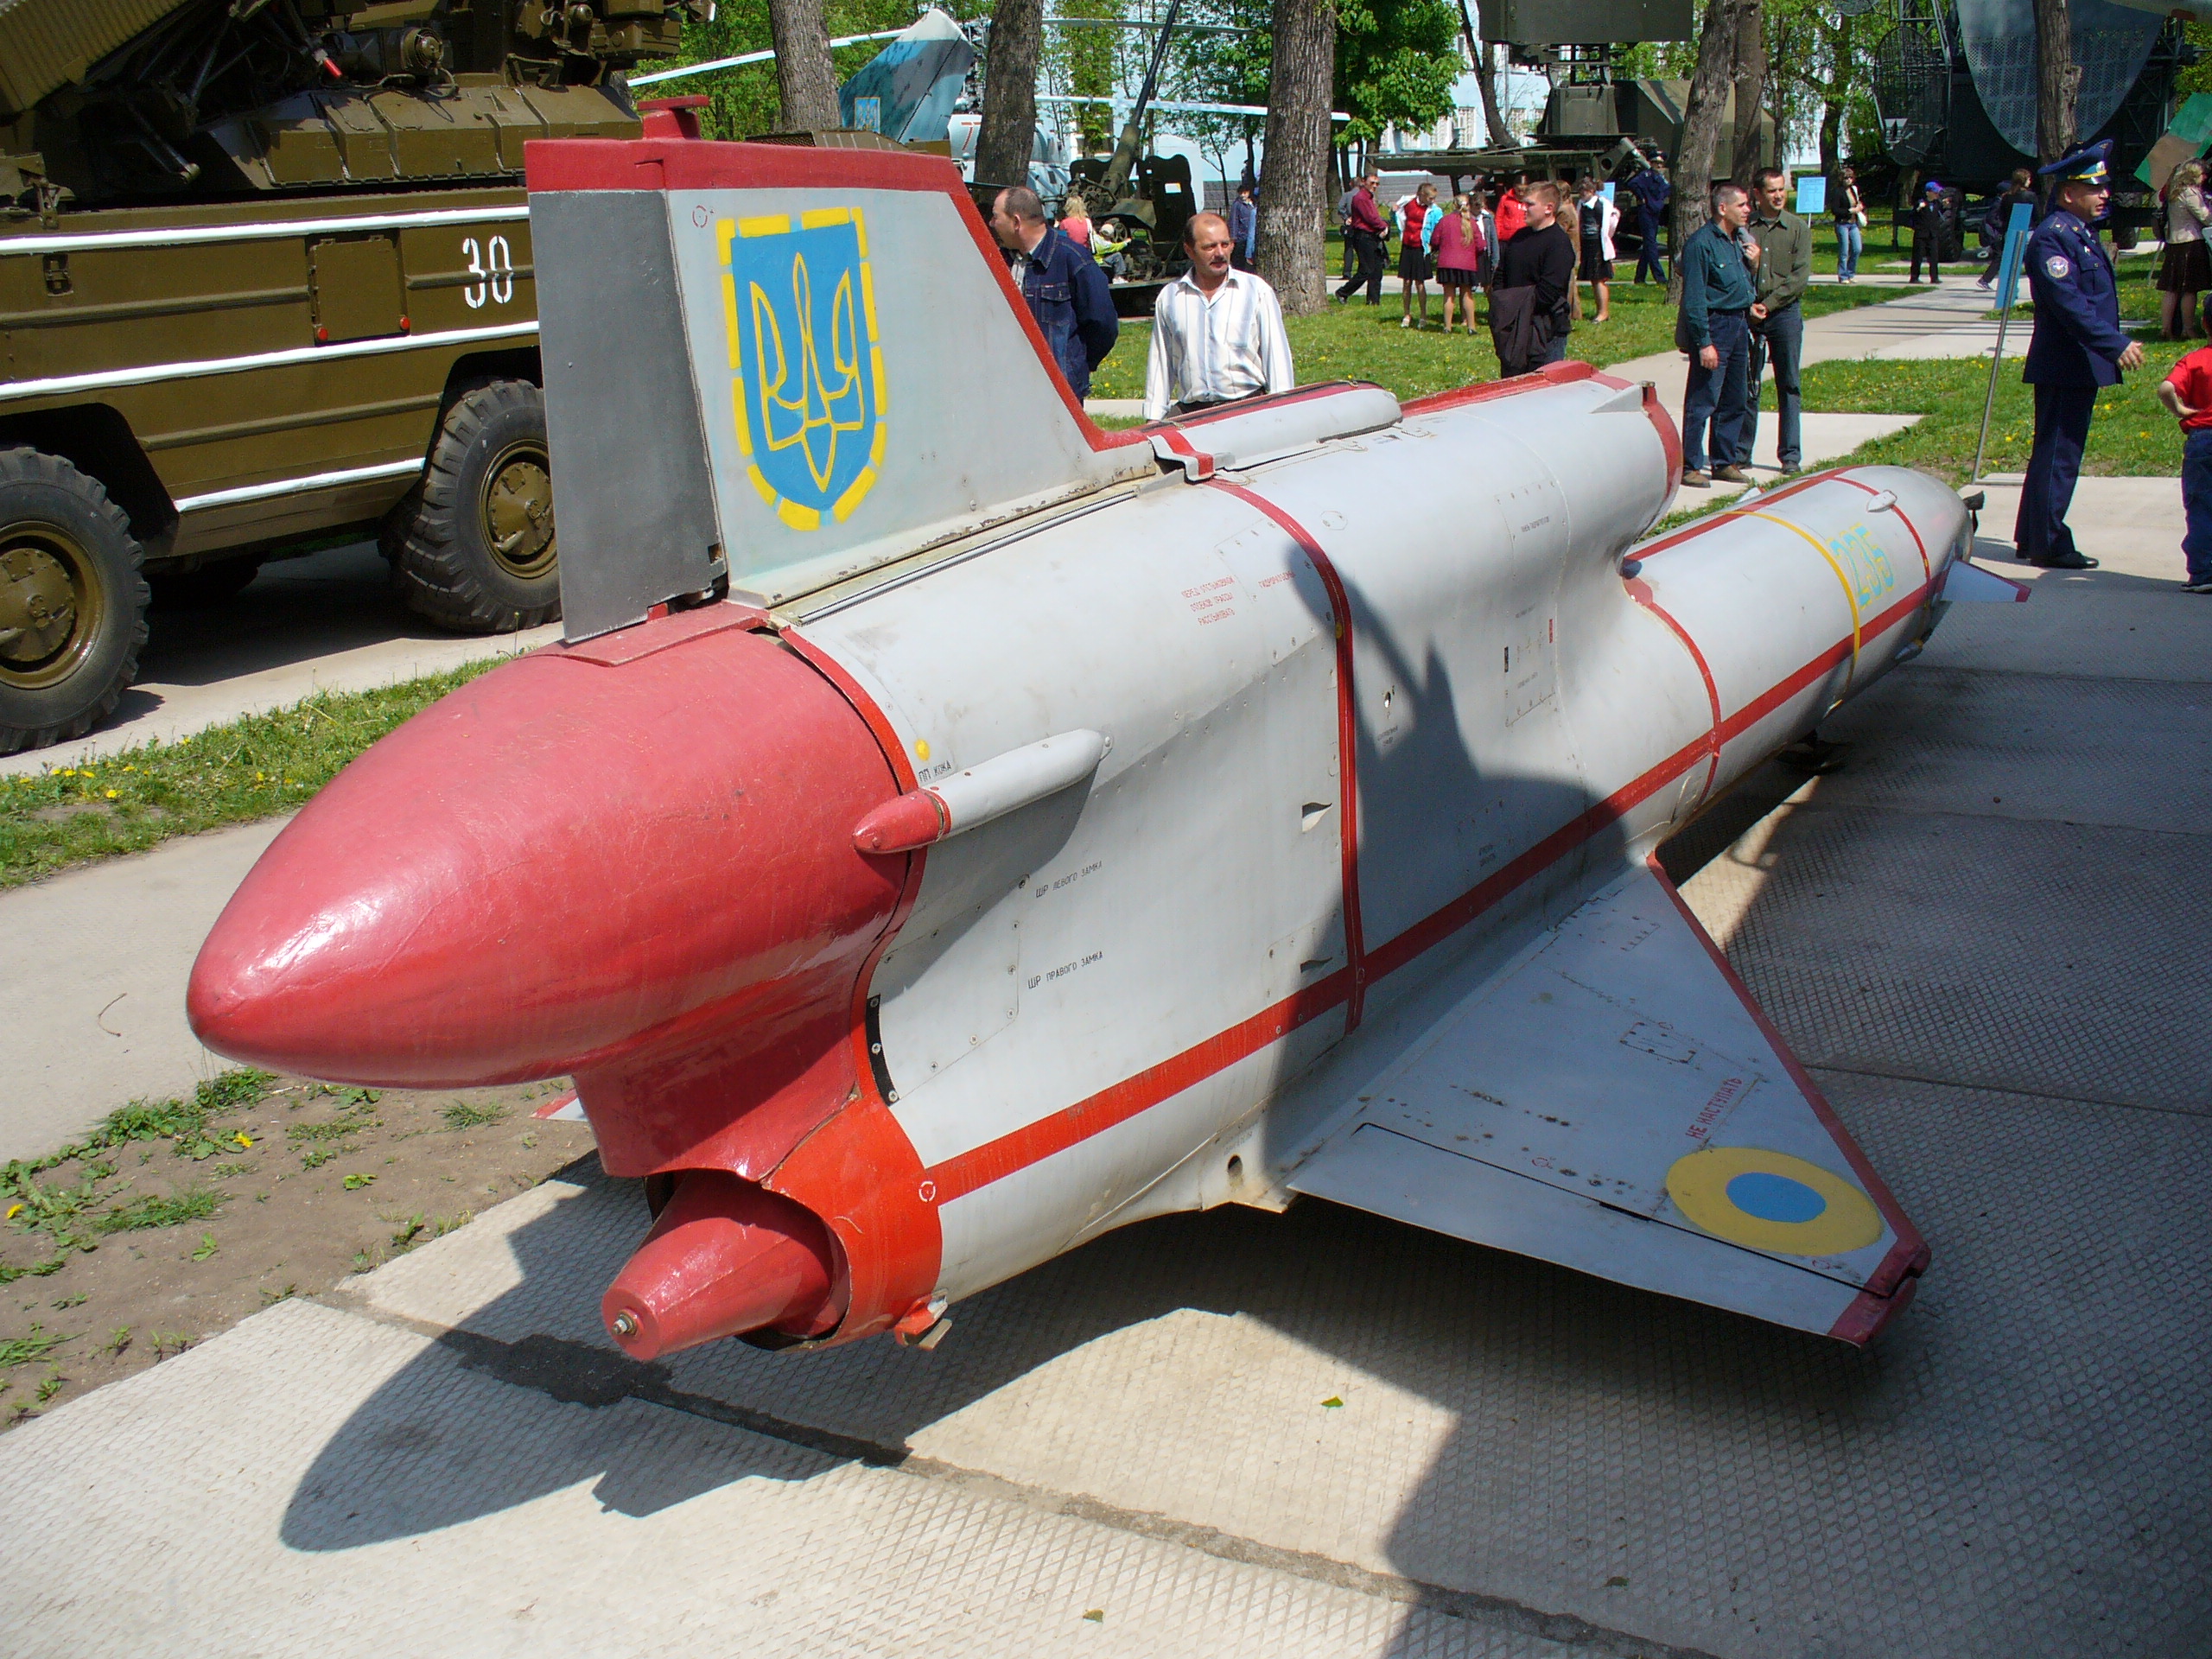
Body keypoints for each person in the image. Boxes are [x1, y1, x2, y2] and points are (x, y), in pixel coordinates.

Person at [2016, 141, 2143, 569]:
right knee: (2059, 455)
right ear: (2068, 193)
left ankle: (2032, 534)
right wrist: (2116, 344)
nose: (2104, 194)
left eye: (2104, 187)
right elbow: (2070, 305)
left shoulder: (2078, 233)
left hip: (2075, 363)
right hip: (2066, 363)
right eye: (2094, 188)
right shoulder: (2054, 238)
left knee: (2053, 452)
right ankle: (2049, 543)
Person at [1142, 211, 1295, 420]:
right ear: (1189, 250)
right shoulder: (1170, 297)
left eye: (1225, 244)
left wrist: (1283, 414)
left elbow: (1277, 359)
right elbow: (1160, 363)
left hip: (1247, 409)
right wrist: (1153, 418)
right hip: (1192, 413)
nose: (1220, 253)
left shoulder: (1256, 291)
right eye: (1210, 247)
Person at [989, 185, 1118, 402]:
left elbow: (1103, 325)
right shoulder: (999, 261)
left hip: (1058, 396)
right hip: (1007, 389)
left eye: (995, 217)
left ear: (1016, 222)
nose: (991, 223)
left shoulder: (1074, 259)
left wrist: (1074, 366)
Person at [1677, 180, 1758, 487]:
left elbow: (1735, 284)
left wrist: (1750, 299)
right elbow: (1695, 298)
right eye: (1742, 205)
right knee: (1703, 399)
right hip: (1715, 326)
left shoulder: (1737, 240)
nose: (1747, 210)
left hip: (1739, 323)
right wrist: (1704, 343)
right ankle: (1690, 465)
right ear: (1722, 208)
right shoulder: (1701, 244)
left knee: (1735, 397)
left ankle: (1724, 461)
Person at [1745, 165, 1811, 474]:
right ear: (1758, 195)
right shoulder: (1745, 228)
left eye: (1781, 189)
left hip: (1784, 313)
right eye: (1771, 191)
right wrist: (1752, 304)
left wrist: (1769, 304)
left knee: (1789, 384)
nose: (1778, 195)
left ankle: (1790, 456)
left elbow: (1799, 278)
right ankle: (1740, 452)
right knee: (1748, 385)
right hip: (1750, 313)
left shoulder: (1797, 228)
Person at [1492, 179, 1573, 374]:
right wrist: (1504, 307)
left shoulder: (1558, 243)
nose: (1524, 208)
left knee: (1543, 388)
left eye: (1530, 204)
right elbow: (1500, 276)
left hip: (1546, 332)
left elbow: (1549, 292)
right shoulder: (1518, 238)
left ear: (1548, 208)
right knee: (1512, 387)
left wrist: (1517, 305)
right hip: (1512, 327)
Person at [2155, 340, 2212, 592]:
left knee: (2201, 507)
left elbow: (2166, 388)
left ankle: (2204, 573)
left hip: (2203, 439)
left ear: (2205, 324)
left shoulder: (2194, 360)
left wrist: (2178, 409)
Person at [2157, 159, 2211, 340]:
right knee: (2189, 289)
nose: (2205, 178)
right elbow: (2206, 218)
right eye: (2202, 174)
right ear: (2194, 175)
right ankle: (2188, 329)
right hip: (2191, 243)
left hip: (2174, 243)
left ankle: (2166, 328)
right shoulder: (2190, 193)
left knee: (2171, 289)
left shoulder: (2175, 191)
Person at [1433, 193, 1485, 335]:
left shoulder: (1444, 221)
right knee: (1467, 294)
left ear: (1454, 205)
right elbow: (1481, 245)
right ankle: (1472, 327)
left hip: (1447, 263)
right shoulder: (1472, 223)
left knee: (1449, 295)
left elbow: (1435, 240)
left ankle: (1447, 327)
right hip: (1467, 264)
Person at [1335, 173, 1389, 305]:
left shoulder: (1369, 197)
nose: (1375, 186)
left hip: (1372, 236)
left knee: (1377, 271)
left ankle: (1373, 301)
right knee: (1366, 270)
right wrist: (1384, 226)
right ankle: (1343, 292)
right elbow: (1370, 218)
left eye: (1377, 183)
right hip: (1363, 237)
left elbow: (1374, 217)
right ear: (1364, 182)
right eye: (1372, 183)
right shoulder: (1361, 198)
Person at [1978, 168, 2034, 290]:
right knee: (2029, 258)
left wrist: (2004, 227)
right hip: (2027, 229)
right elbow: (2036, 215)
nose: (2030, 181)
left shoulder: (2006, 198)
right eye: (2028, 179)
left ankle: (2008, 287)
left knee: (2009, 259)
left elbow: (2003, 216)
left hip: (2010, 230)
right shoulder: (2029, 196)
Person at [1575, 175, 1618, 323]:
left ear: (1592, 191)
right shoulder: (1582, 204)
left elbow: (1611, 222)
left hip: (1598, 246)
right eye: (1580, 191)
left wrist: (1606, 238)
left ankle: (1603, 312)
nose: (1582, 194)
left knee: (1599, 279)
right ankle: (1600, 310)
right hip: (1587, 245)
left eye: (1585, 191)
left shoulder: (1601, 204)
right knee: (1594, 280)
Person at [1396, 181, 1440, 327]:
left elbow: (1437, 226)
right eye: (1430, 198)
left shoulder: (1433, 210)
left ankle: (1423, 316)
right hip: (1407, 246)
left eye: (1434, 198)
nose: (1432, 201)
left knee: (1420, 283)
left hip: (1421, 248)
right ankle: (1406, 314)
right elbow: (1398, 212)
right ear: (1422, 194)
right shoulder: (1408, 203)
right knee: (1406, 282)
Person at [1627, 158, 1670, 284]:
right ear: (1651, 163)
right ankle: (1659, 277)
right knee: (1651, 244)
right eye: (1657, 163)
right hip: (1646, 212)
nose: (1659, 165)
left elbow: (1667, 189)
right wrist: (1641, 197)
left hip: (1655, 211)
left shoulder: (1661, 177)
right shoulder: (1646, 175)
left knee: (1648, 245)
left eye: (1661, 163)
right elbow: (1632, 184)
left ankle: (1640, 277)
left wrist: (1660, 200)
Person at [1832, 162, 1866, 283]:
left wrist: (1859, 207)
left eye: (1851, 178)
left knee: (1857, 248)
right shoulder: (1838, 192)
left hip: (1853, 223)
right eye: (1846, 178)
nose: (1848, 180)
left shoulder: (1853, 190)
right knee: (1844, 251)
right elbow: (1835, 210)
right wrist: (1850, 211)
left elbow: (1857, 202)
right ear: (1842, 179)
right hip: (1842, 223)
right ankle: (1843, 276)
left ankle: (1850, 273)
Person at [1910, 180, 1946, 283]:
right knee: (1918, 256)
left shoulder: (1936, 204)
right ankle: (1914, 277)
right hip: (1921, 234)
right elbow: (1912, 215)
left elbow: (1939, 214)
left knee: (1934, 256)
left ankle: (1934, 277)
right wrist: (1918, 208)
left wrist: (1944, 205)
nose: (1937, 194)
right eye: (1935, 192)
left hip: (1932, 234)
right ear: (1928, 193)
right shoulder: (1921, 203)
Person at [1229, 181, 1259, 271]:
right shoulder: (1237, 204)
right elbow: (1233, 221)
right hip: (1241, 237)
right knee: (1239, 261)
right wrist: (1233, 237)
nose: (1242, 195)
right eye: (1241, 193)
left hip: (1251, 237)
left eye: (1245, 193)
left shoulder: (1253, 203)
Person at [1494, 171, 1528, 245]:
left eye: (1524, 190)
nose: (1521, 193)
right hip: (1507, 238)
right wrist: (1498, 236)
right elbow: (1498, 218)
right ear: (1514, 187)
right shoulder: (1505, 199)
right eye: (1519, 190)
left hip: (1525, 238)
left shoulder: (1530, 201)